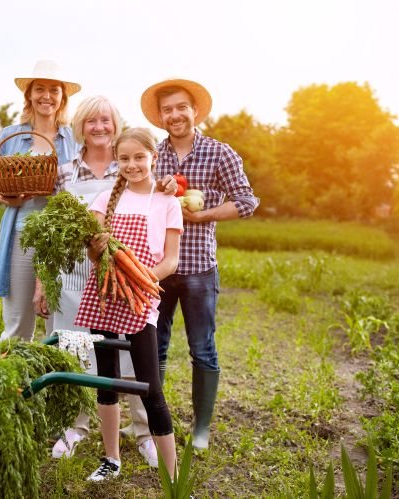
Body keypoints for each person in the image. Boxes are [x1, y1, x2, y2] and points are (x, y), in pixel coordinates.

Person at [37, 96, 179, 466]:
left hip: (134, 287)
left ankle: (146, 434)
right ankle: (85, 434)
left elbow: (166, 250)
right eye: (91, 121)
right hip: (85, 283)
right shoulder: (69, 173)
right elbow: (63, 234)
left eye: (106, 121)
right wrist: (88, 254)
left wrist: (139, 275)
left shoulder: (139, 173)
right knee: (87, 361)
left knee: (141, 370)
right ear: (80, 127)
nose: (99, 127)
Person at [140, 78, 259, 449]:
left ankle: (201, 429)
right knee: (153, 346)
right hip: (158, 267)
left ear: (194, 111)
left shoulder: (220, 153)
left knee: (202, 348)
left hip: (198, 268)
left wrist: (202, 215)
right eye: (167, 110)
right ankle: (153, 422)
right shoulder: (152, 154)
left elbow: (246, 202)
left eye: (181, 107)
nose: (174, 115)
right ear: (160, 117)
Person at [74, 127, 183, 481]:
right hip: (104, 295)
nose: (132, 164)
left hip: (141, 296)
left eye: (139, 157)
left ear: (153, 156)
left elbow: (170, 261)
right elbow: (93, 254)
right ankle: (111, 459)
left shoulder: (167, 203)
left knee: (151, 388)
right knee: (106, 381)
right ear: (116, 161)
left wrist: (142, 279)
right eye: (124, 158)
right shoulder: (105, 199)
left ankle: (172, 474)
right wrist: (96, 244)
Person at [0, 60, 81, 342]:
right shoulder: (10, 135)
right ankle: (16, 383)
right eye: (39, 89)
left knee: (57, 319)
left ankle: (54, 382)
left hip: (60, 240)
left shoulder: (74, 139)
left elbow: (81, 187)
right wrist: (11, 199)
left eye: (54, 90)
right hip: (22, 234)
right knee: (18, 320)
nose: (47, 96)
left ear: (62, 98)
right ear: (29, 95)